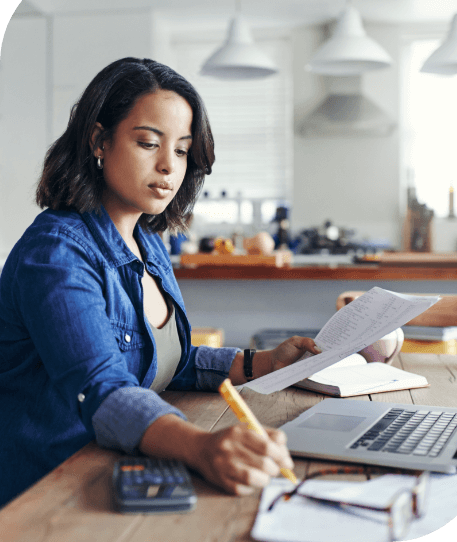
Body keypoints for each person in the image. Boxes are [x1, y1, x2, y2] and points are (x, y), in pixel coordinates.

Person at [0, 57, 319, 507]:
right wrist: (201, 446)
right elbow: (104, 388)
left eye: (183, 150)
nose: (170, 166)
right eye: (149, 143)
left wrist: (263, 362)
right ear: (99, 140)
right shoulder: (56, 255)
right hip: (48, 490)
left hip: (112, 467)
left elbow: (167, 360)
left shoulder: (148, 243)